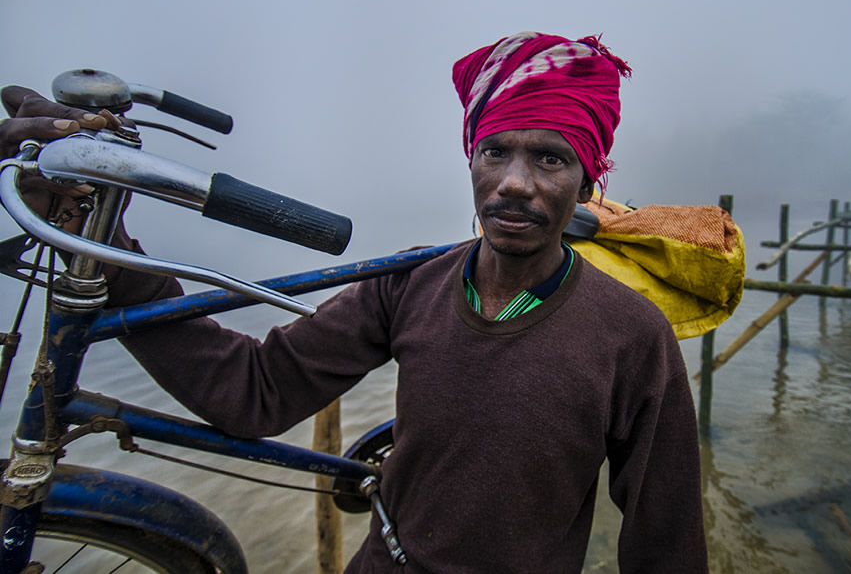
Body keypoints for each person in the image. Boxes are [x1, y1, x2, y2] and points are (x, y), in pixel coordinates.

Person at [1, 32, 709, 573]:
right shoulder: (409, 285)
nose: (515, 182)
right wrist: (107, 250)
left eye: (549, 158)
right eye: (495, 152)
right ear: (471, 161)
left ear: (586, 184)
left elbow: (666, 539)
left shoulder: (630, 335)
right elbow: (255, 391)